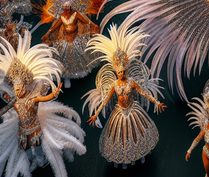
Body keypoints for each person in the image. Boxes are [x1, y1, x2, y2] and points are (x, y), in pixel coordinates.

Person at [0, 32, 86, 176]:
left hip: (34, 128)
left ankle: (40, 160)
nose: (18, 90)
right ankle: (32, 161)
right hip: (22, 130)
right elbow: (6, 106)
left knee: (37, 147)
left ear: (24, 86)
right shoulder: (15, 101)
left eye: (20, 87)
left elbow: (43, 98)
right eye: (16, 88)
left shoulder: (32, 98)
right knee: (26, 149)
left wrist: (54, 93)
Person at [85, 24, 166, 169]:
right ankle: (123, 157)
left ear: (125, 70)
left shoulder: (132, 82)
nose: (120, 74)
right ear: (116, 72)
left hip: (133, 109)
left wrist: (157, 102)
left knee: (137, 132)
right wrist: (96, 113)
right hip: (119, 111)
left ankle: (140, 154)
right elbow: (105, 100)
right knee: (120, 135)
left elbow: (143, 93)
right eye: (118, 72)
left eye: (122, 71)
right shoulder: (114, 85)